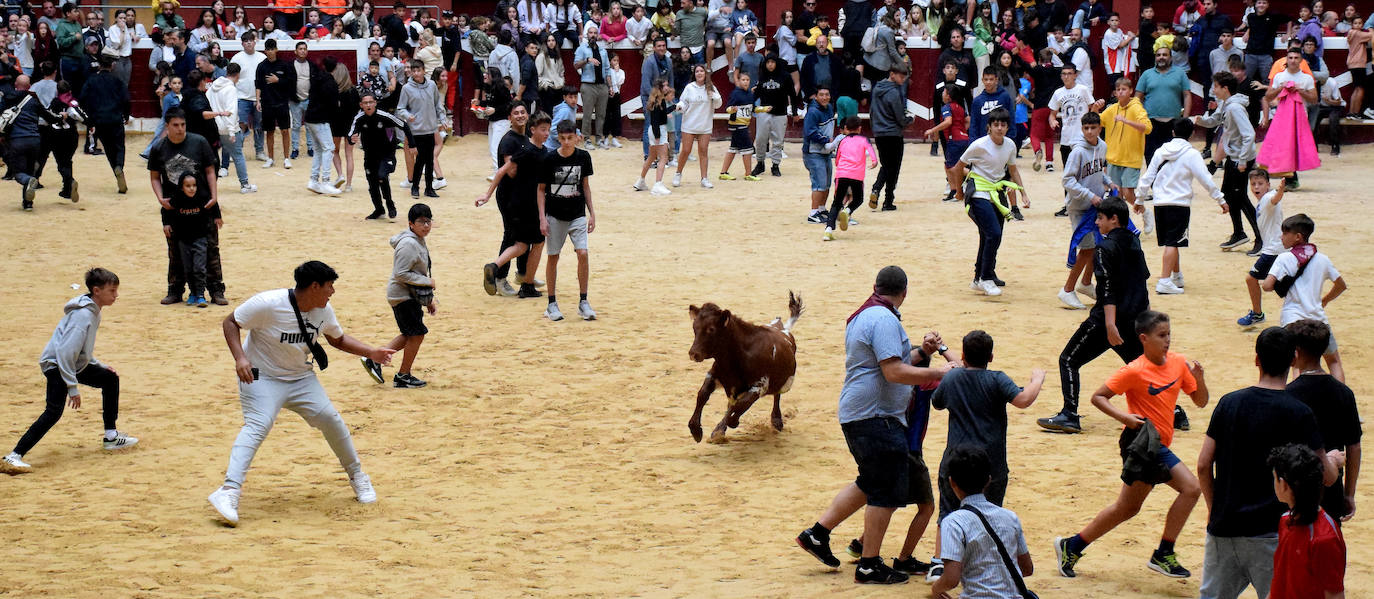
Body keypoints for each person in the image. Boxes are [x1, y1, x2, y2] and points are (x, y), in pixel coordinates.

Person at [206, 261, 392, 526]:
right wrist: (240, 358)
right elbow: (231, 322)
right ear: (314, 286)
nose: (332, 292)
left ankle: (358, 477)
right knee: (258, 426)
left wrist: (370, 352)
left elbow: (337, 339)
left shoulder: (324, 310)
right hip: (261, 377)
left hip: (300, 378)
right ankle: (229, 491)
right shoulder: (268, 303)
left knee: (330, 419)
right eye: (330, 286)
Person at [795, 266, 949, 584]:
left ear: (875, 287)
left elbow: (890, 361)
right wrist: (939, 374)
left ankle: (817, 533)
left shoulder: (866, 315)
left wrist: (923, 353)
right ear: (904, 293)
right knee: (886, 490)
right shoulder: (884, 320)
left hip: (860, 413)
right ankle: (868, 564)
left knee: (870, 482)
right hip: (875, 416)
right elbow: (893, 371)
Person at [1053, 310, 1209, 579]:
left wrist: (1200, 377)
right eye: (1162, 335)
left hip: (1156, 444)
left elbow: (1200, 401)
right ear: (1144, 339)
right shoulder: (1134, 370)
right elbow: (1098, 397)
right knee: (1192, 488)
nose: (1168, 340)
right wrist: (1124, 417)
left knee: (1127, 507)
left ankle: (1072, 545)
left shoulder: (1179, 363)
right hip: (1141, 444)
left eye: (1169, 334)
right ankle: (1164, 553)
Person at [1196, 326, 1333, 599]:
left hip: (1225, 526)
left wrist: (1214, 508)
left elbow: (1202, 465)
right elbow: (1325, 475)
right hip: (1271, 531)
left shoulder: (1229, 403)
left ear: (1257, 359)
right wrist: (1333, 461)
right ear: (1293, 359)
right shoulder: (1299, 412)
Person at [931, 329, 1044, 580]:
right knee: (991, 512)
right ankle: (984, 562)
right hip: (991, 462)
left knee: (947, 512)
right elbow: (1024, 400)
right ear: (991, 357)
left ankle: (939, 564)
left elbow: (939, 401)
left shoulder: (953, 379)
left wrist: (944, 351)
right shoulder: (997, 379)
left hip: (956, 459)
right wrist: (1037, 379)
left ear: (962, 354)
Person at [0, 268, 134, 474]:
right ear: (96, 290)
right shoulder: (83, 316)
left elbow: (80, 349)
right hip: (57, 365)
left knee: (109, 378)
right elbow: (64, 353)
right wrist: (72, 387)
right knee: (53, 411)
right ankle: (13, 456)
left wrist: (98, 364)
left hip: (71, 363)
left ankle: (111, 436)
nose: (116, 295)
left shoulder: (93, 310)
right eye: (112, 291)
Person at [1039, 196, 1155, 433]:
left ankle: (1069, 414)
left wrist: (1110, 325)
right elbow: (1142, 280)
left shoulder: (1104, 248)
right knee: (1140, 367)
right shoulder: (1135, 242)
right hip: (1135, 318)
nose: (1098, 223)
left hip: (1106, 321)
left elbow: (1108, 289)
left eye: (1101, 218)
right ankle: (1174, 411)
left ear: (1114, 219)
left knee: (1069, 360)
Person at [930, 445, 1035, 599]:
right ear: (988, 480)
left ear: (952, 482)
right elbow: (1027, 569)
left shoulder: (953, 523)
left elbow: (951, 579)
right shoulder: (1010, 517)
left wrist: (936, 589)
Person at [1138, 119, 1224, 296]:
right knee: (1173, 242)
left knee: (1172, 242)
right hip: (1179, 204)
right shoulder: (1191, 154)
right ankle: (1164, 280)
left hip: (1160, 203)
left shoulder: (1161, 151)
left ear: (1172, 132)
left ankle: (1175, 276)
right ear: (1192, 134)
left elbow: (1147, 176)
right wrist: (1220, 199)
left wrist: (1139, 199)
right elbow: (1205, 179)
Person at [1261, 214, 1347, 382]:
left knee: (1297, 366)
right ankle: (1340, 396)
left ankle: (1298, 399)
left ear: (1297, 237)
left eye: (1285, 233)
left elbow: (1266, 286)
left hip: (1292, 320)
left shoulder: (1284, 258)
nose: (1282, 237)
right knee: (1334, 362)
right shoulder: (1322, 259)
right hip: (1318, 320)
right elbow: (1341, 285)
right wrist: (1325, 300)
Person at [360, 203, 437, 388]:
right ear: (411, 224)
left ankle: (375, 359)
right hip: (402, 296)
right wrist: (428, 283)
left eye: (428, 221)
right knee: (417, 334)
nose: (426, 225)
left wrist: (428, 300)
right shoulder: (409, 243)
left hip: (407, 295)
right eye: (421, 222)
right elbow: (400, 273)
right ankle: (403, 375)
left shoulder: (416, 239)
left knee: (410, 333)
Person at [953, 108, 1026, 297]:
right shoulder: (979, 145)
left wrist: (1023, 194)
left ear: (1008, 127)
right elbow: (957, 167)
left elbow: (1013, 170)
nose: (999, 128)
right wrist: (959, 192)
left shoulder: (1010, 145)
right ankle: (985, 278)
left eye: (1003, 125)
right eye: (996, 125)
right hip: (977, 191)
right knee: (993, 233)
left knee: (991, 234)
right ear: (989, 127)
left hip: (997, 192)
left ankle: (979, 277)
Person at [477, 105, 547, 299]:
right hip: (510, 195)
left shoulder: (526, 140)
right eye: (515, 113)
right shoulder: (509, 141)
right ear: (509, 117)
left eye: (523, 112)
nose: (520, 116)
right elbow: (511, 171)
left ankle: (525, 274)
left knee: (524, 237)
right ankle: (499, 278)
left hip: (524, 195)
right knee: (512, 237)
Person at [1267, 443, 1348, 598]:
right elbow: (1279, 579)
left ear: (1283, 485)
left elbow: (1335, 595)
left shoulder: (1324, 539)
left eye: (1274, 478)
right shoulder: (1286, 520)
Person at [1193, 71, 1262, 253]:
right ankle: (1239, 233)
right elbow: (1215, 120)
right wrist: (1202, 121)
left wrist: (1242, 160)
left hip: (1241, 158)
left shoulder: (1234, 108)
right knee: (1228, 194)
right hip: (1235, 156)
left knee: (1240, 198)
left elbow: (1249, 135)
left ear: (1225, 88)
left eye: (1216, 86)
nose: (1213, 89)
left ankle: (1261, 237)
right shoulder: (1226, 104)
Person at [538, 121, 598, 322]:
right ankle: (551, 303)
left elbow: (586, 186)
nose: (566, 142)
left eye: (569, 138)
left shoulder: (584, 157)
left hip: (577, 214)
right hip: (554, 215)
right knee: (553, 257)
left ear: (576, 137)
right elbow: (541, 190)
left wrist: (592, 213)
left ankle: (583, 301)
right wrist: (542, 218)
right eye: (562, 139)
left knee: (583, 253)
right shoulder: (549, 159)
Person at [1056, 111, 1108, 310]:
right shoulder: (1077, 152)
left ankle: (1086, 283)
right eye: (1085, 128)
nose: (1089, 131)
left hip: (1096, 206)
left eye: (1093, 128)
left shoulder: (1102, 146)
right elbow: (1067, 180)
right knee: (1086, 249)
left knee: (1096, 246)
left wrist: (1109, 183)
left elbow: (1099, 171)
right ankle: (1068, 290)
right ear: (1082, 129)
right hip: (1079, 207)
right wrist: (1089, 196)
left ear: (1099, 128)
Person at [1257, 49, 1320, 190]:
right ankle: (1290, 179)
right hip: (1283, 116)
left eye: (1296, 57)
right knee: (1284, 146)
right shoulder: (1279, 76)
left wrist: (1300, 90)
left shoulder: (1307, 78)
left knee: (1292, 146)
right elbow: (1268, 97)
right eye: (1290, 57)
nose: (1292, 60)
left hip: (1300, 116)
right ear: (1286, 60)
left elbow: (1314, 99)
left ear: (1301, 60)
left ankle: (1290, 178)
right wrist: (1280, 87)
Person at [1232, 170, 1285, 326]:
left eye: (1260, 184)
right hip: (1275, 249)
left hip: (1274, 251)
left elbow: (1275, 199)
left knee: (1251, 278)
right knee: (1285, 285)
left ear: (1268, 185)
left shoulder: (1268, 198)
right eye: (1253, 184)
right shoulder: (1262, 201)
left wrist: (1280, 190)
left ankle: (1257, 314)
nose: (1256, 187)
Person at [350, 92, 411, 220]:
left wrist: (412, 144)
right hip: (370, 155)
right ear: (361, 105)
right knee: (372, 183)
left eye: (370, 102)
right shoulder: (359, 118)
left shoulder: (384, 116)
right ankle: (379, 209)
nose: (368, 105)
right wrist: (352, 139)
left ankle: (390, 204)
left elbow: (404, 125)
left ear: (375, 103)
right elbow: (351, 134)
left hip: (386, 154)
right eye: (365, 103)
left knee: (382, 176)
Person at [164, 173, 220, 309]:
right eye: (188, 186)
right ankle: (192, 293)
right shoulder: (177, 199)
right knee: (188, 268)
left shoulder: (202, 197)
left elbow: (213, 204)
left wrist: (217, 217)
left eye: (194, 185)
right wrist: (166, 223)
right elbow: (166, 209)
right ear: (182, 187)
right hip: (183, 240)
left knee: (199, 267)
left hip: (200, 239)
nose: (192, 189)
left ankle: (201, 294)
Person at [1099, 78, 1151, 218]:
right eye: (1118, 90)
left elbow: (1147, 128)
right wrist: (1094, 109)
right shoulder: (1112, 109)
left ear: (1131, 91)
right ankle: (1122, 225)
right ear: (1115, 93)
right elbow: (1098, 121)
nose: (1121, 92)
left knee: (1128, 193)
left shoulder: (1137, 108)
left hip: (1131, 158)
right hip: (1114, 158)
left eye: (1124, 89)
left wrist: (1127, 121)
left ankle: (1145, 214)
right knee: (1117, 195)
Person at [823, 116, 877, 241]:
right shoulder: (864, 140)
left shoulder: (842, 141)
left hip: (842, 174)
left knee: (837, 202)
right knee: (858, 199)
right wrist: (874, 162)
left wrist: (840, 168)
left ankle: (828, 230)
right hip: (856, 175)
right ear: (859, 129)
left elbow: (837, 159)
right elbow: (872, 153)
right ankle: (847, 211)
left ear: (845, 128)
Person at [866, 63, 911, 212]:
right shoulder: (893, 92)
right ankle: (888, 201)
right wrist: (909, 121)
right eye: (901, 76)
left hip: (879, 133)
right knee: (894, 167)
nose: (903, 79)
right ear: (892, 74)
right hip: (893, 134)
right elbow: (899, 117)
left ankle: (876, 190)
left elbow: (872, 111)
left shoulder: (877, 89)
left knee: (886, 165)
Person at [395, 59, 443, 199]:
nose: (416, 73)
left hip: (430, 128)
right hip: (415, 130)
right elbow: (400, 108)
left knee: (429, 160)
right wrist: (407, 115)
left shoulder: (432, 85)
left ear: (424, 71)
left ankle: (428, 188)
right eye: (413, 71)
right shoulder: (406, 88)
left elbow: (437, 104)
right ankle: (415, 187)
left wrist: (443, 119)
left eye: (418, 70)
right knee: (421, 159)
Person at [1136, 46, 1191, 166]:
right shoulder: (1146, 74)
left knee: (1173, 160)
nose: (1161, 57)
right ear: (1155, 58)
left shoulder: (1180, 73)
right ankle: (1155, 185)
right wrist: (1141, 118)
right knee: (1151, 158)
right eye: (1158, 55)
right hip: (1150, 123)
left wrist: (1185, 119)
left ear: (1170, 58)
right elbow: (1137, 98)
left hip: (1174, 123)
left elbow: (1187, 96)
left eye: (1164, 55)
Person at [672, 64, 722, 189]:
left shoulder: (711, 88)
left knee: (703, 151)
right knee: (686, 150)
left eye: (701, 71)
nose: (699, 73)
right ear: (694, 74)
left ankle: (704, 179)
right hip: (689, 124)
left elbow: (718, 104)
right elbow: (683, 102)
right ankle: (678, 174)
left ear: (705, 73)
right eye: (697, 71)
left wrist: (715, 97)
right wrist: (680, 106)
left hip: (705, 125)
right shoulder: (690, 87)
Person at [254, 39, 292, 170]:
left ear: (276, 50)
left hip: (281, 102)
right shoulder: (261, 66)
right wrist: (258, 100)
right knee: (269, 131)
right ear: (265, 51)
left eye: (272, 49)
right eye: (268, 49)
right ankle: (270, 158)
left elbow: (290, 82)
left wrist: (278, 80)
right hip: (267, 103)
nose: (270, 52)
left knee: (285, 130)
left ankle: (287, 158)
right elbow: (258, 84)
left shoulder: (284, 65)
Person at [633, 78, 675, 196]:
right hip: (658, 131)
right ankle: (658, 184)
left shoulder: (657, 101)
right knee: (663, 158)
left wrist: (674, 107)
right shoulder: (658, 102)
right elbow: (656, 120)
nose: (667, 87)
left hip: (654, 130)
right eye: (665, 85)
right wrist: (658, 136)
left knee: (651, 157)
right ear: (660, 88)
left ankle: (641, 181)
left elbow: (661, 114)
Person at [801, 87, 836, 224]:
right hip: (813, 153)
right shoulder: (813, 112)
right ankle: (813, 213)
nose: (824, 97)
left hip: (825, 152)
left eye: (827, 94)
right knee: (819, 183)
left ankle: (821, 209)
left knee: (826, 183)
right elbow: (810, 132)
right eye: (821, 95)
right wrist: (827, 141)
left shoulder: (829, 108)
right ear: (815, 97)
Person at [230, 32, 266, 161]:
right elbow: (231, 78)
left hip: (258, 98)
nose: (249, 43)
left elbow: (264, 79)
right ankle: (237, 152)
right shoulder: (236, 58)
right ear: (242, 43)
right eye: (246, 41)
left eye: (251, 40)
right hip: (241, 97)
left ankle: (260, 151)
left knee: (259, 126)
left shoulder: (262, 58)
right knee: (240, 125)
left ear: (255, 42)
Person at [718, 71, 758, 181]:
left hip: (743, 125)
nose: (745, 82)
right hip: (738, 125)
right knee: (748, 148)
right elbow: (728, 108)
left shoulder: (750, 94)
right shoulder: (736, 93)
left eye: (747, 80)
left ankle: (723, 172)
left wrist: (764, 109)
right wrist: (732, 109)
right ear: (739, 81)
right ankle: (748, 173)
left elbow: (753, 109)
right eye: (743, 80)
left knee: (733, 149)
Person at [574, 25, 610, 150]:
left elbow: (607, 70)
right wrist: (587, 60)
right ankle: (587, 139)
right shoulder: (582, 49)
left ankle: (599, 139)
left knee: (601, 114)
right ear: (587, 35)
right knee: (587, 114)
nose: (593, 35)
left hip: (602, 85)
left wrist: (610, 86)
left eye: (595, 33)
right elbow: (576, 65)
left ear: (598, 35)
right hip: (588, 85)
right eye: (590, 33)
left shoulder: (603, 51)